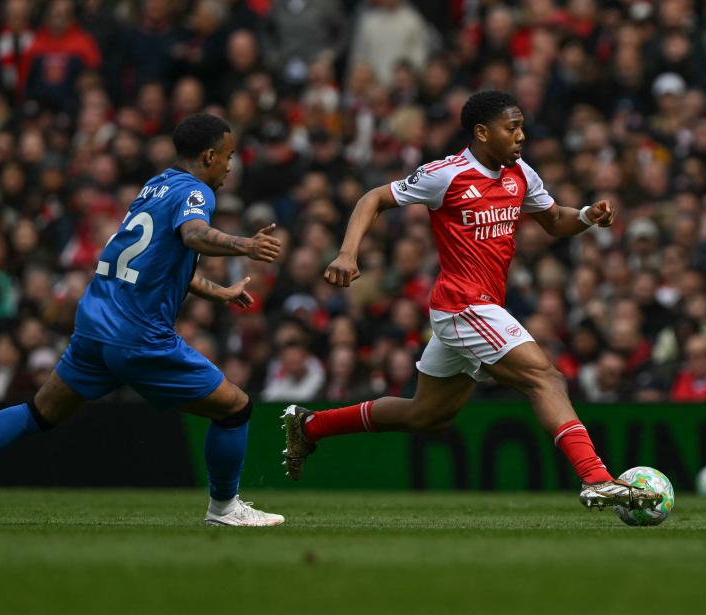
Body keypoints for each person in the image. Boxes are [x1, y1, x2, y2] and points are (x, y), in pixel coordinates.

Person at [0, 113, 285, 527]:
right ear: (209, 156)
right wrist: (244, 244)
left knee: (38, 412)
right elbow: (193, 235)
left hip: (94, 326)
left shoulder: (154, 187)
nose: (230, 166)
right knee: (235, 409)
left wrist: (219, 291)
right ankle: (225, 509)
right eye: (228, 157)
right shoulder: (197, 193)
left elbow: (158, 262)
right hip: (138, 336)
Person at [282, 91, 660, 510]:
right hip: (463, 305)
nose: (521, 136)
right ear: (482, 133)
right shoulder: (447, 174)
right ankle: (596, 477)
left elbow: (554, 221)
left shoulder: (520, 174)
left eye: (521, 126)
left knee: (426, 415)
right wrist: (348, 253)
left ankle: (310, 426)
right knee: (545, 377)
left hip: (479, 309)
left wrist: (588, 215)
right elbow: (373, 198)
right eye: (510, 127)